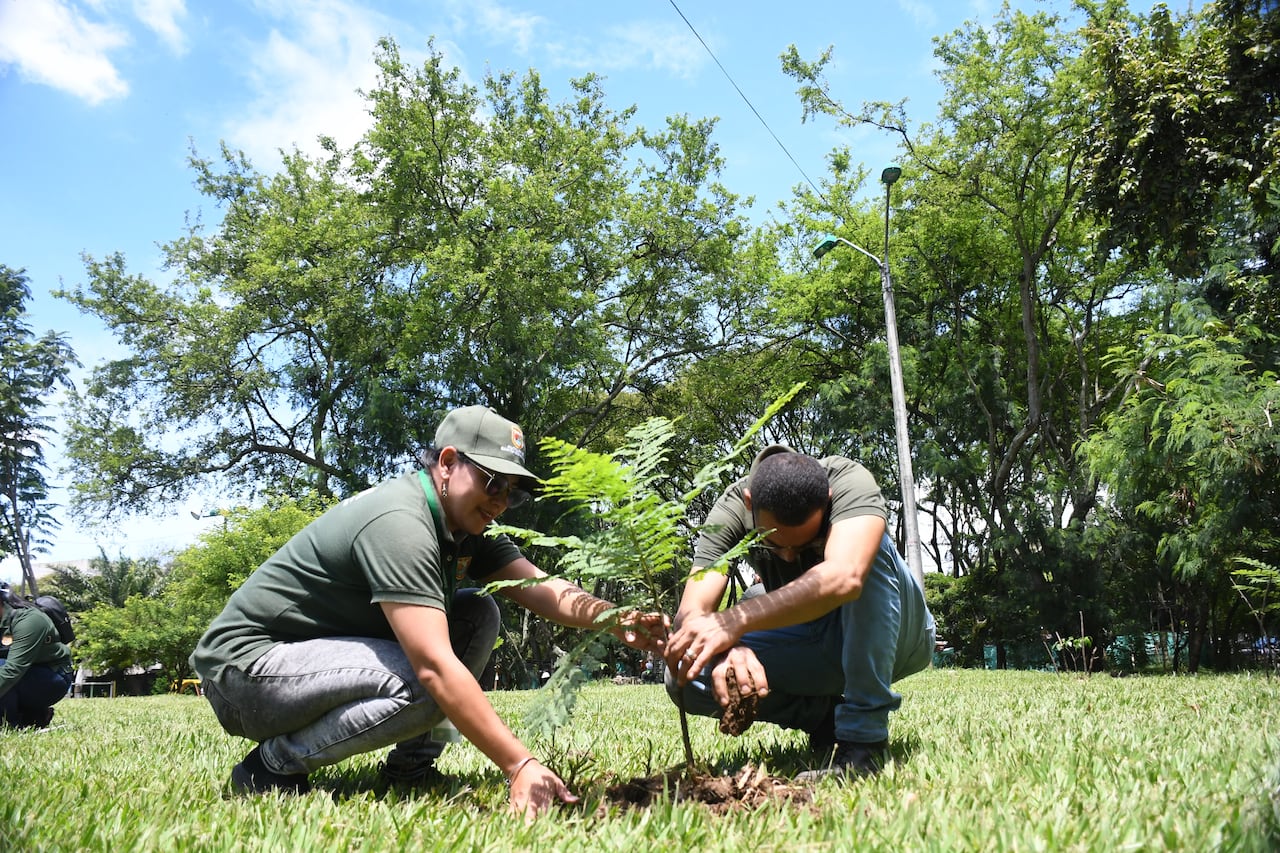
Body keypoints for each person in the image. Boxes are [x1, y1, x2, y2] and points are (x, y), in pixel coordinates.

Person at [191, 406, 666, 817]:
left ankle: (410, 768)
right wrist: (519, 764)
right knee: (428, 683)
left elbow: (537, 586)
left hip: (304, 667)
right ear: (448, 462)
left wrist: (615, 616)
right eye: (493, 482)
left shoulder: (463, 527)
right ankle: (272, 766)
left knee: (477, 614)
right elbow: (436, 669)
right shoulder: (401, 522)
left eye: (513, 493)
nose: (500, 501)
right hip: (245, 672)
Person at [663, 445, 935, 780]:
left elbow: (845, 578)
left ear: (828, 499)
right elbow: (690, 615)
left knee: (866, 550)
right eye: (775, 545)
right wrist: (728, 650)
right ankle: (826, 720)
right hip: (818, 643)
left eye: (804, 545)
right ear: (750, 504)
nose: (788, 559)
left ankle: (864, 744)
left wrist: (733, 621)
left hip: (901, 639)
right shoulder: (732, 509)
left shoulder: (850, 481)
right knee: (685, 674)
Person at [0, 584, 74, 729]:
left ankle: (10, 724)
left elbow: (12, 670)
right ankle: (33, 716)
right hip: (23, 674)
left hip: (52, 676)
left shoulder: (29, 620)